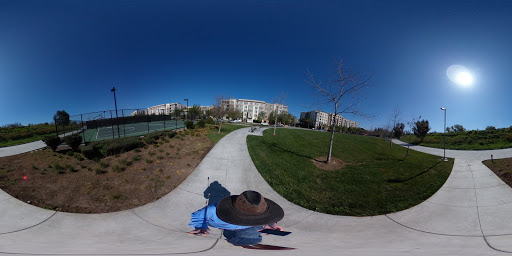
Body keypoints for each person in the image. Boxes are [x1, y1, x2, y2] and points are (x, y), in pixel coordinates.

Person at [188, 190, 284, 245]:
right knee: (250, 239)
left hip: (247, 227)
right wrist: (201, 227)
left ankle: (256, 229)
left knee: (255, 234)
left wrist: (272, 224)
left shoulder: (256, 211)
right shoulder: (214, 209)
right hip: (230, 228)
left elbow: (266, 218)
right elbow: (197, 216)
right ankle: (230, 234)